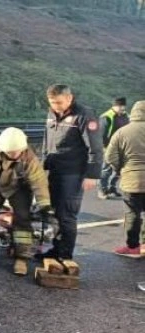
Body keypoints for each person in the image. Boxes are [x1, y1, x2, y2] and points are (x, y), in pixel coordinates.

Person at [0, 128, 54, 275]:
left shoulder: (29, 158)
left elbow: (39, 183)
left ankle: (21, 257)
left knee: (22, 218)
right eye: (10, 152)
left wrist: (45, 205)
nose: (13, 155)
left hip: (18, 189)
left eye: (16, 152)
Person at [41, 84, 103, 260]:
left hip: (72, 173)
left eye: (59, 102)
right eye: (52, 103)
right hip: (54, 170)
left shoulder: (84, 115)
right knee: (55, 212)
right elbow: (47, 140)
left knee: (66, 214)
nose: (55, 106)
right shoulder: (52, 113)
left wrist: (92, 174)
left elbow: (95, 147)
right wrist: (43, 163)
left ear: (69, 98)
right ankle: (56, 249)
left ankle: (65, 255)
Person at [105, 100, 145, 258]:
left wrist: (120, 169)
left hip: (131, 179)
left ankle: (133, 247)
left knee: (132, 213)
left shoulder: (122, 132)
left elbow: (110, 156)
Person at [99, 97, 130, 199]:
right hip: (109, 147)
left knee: (118, 169)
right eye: (119, 106)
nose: (122, 108)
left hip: (122, 146)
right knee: (106, 169)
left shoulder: (126, 116)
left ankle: (112, 188)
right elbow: (101, 134)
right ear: (114, 106)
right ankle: (102, 190)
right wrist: (105, 148)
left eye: (123, 106)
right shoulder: (106, 117)